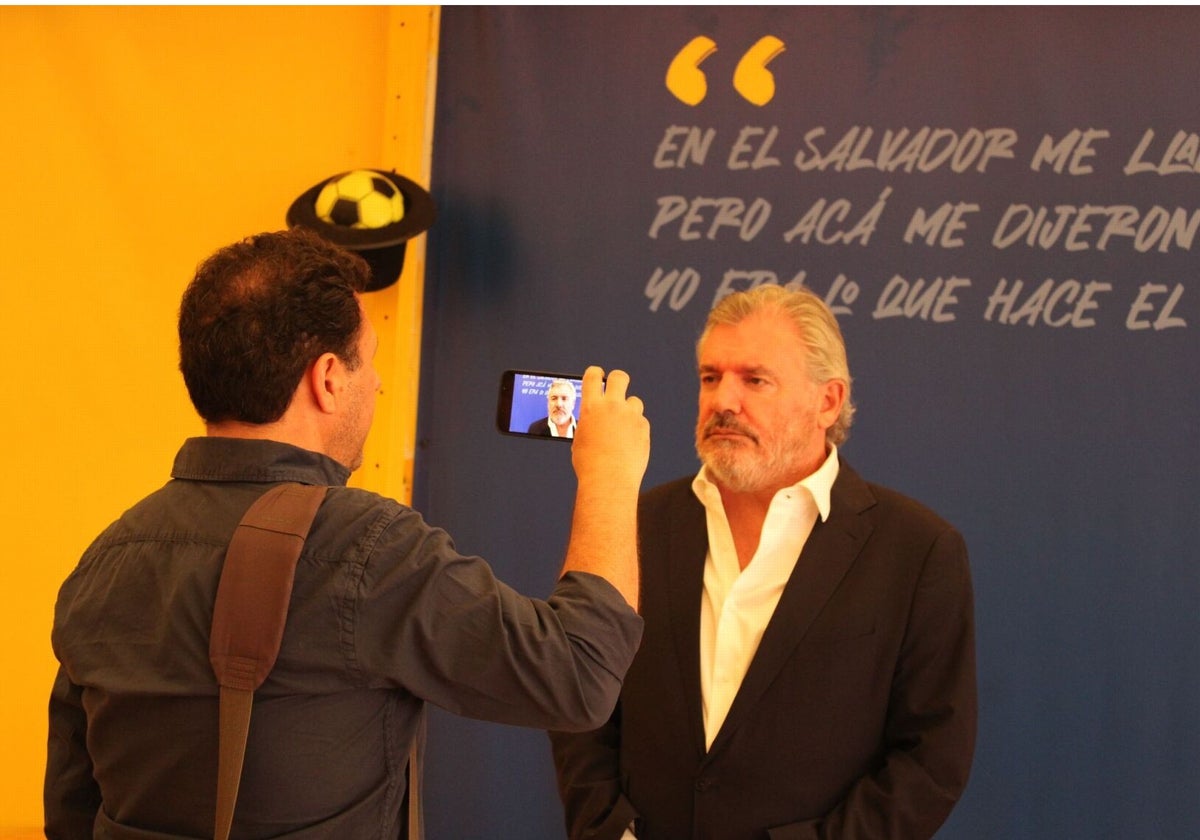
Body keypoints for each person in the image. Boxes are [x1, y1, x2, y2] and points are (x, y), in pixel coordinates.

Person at [45, 227, 650, 839]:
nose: (378, 382)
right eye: (371, 358)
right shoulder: (367, 548)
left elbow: (71, 808)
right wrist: (611, 473)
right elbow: (579, 676)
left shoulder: (106, 557)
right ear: (328, 377)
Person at [550, 283, 976, 840]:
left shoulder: (917, 549)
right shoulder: (633, 523)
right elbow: (580, 698)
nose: (723, 400)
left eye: (755, 380)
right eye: (710, 377)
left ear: (827, 401)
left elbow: (931, 758)